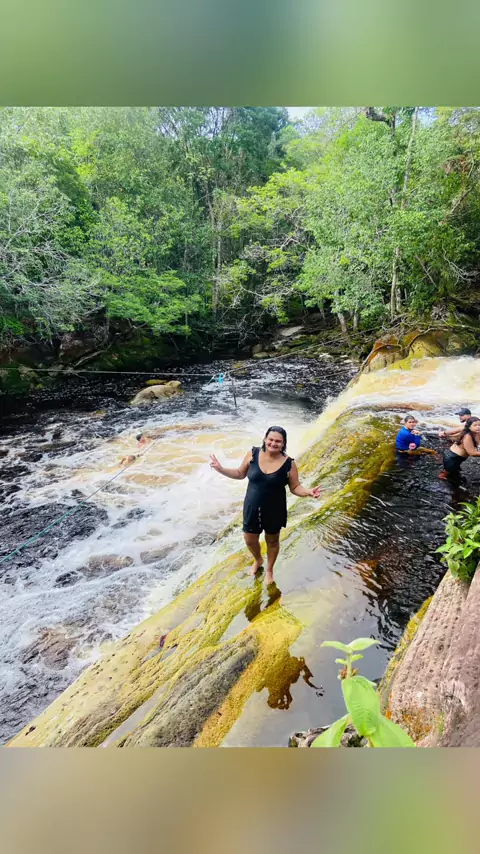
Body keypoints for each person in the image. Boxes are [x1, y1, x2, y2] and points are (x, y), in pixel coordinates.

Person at [210, 426, 321, 584]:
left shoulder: (289, 464)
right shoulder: (253, 454)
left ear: (283, 443)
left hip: (274, 509)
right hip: (252, 507)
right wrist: (220, 469)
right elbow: (240, 474)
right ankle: (258, 559)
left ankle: (269, 569)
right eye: (271, 439)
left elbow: (295, 487)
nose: (273, 443)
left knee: (272, 541)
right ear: (265, 439)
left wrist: (308, 492)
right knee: (249, 539)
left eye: (278, 441)